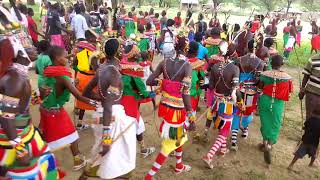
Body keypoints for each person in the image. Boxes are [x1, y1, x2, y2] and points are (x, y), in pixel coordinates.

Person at [0, 36, 63, 179]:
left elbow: (21, 105)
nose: (33, 47)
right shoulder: (13, 78)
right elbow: (6, 117)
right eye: (26, 44)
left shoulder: (16, 73)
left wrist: (39, 95)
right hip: (16, 139)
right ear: (17, 52)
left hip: (24, 134)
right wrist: (20, 150)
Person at [81, 38, 137, 179]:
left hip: (105, 114)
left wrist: (102, 98)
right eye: (121, 48)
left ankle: (89, 173)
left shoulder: (102, 68)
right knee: (111, 156)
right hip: (110, 117)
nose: (123, 50)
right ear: (117, 51)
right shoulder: (113, 73)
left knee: (106, 155)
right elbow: (107, 106)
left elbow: (86, 92)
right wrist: (107, 137)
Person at [145, 35, 195, 180]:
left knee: (179, 138)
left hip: (166, 108)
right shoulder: (187, 66)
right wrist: (191, 118)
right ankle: (149, 176)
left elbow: (149, 80)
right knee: (168, 146)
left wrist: (164, 84)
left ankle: (179, 165)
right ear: (186, 49)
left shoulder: (164, 62)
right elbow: (186, 94)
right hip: (177, 112)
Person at [40, 46, 97, 171]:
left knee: (49, 136)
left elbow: (53, 89)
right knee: (72, 135)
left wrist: (72, 84)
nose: (68, 59)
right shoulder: (63, 77)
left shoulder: (49, 71)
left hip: (45, 109)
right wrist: (95, 103)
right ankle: (77, 160)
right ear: (57, 58)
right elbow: (78, 96)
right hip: (55, 111)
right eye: (65, 57)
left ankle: (48, 160)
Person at [202, 42, 240, 168]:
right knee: (224, 131)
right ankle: (209, 155)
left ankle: (223, 149)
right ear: (233, 55)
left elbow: (211, 86)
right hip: (227, 104)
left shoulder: (215, 67)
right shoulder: (235, 69)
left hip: (215, 103)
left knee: (221, 126)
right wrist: (239, 103)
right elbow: (235, 92)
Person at [120, 40, 155, 158]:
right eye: (138, 53)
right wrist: (154, 93)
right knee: (138, 126)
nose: (139, 55)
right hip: (129, 102)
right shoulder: (134, 70)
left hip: (120, 101)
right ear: (134, 55)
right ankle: (143, 149)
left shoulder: (121, 64)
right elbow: (143, 92)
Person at [231, 40, 266, 151]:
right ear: (257, 49)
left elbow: (234, 75)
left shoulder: (239, 59)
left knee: (237, 111)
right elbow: (258, 80)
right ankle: (245, 129)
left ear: (247, 47)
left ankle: (233, 139)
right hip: (251, 92)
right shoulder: (260, 63)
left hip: (238, 90)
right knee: (248, 111)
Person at [258, 55, 293, 166]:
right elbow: (290, 92)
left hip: (265, 101)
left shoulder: (264, 74)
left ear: (271, 63)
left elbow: (260, 87)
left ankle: (264, 144)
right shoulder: (287, 78)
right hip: (278, 104)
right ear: (281, 64)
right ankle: (269, 145)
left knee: (265, 122)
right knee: (275, 124)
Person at [73, 30, 99, 130]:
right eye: (95, 38)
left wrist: (79, 71)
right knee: (96, 99)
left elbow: (74, 64)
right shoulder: (94, 54)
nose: (96, 40)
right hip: (90, 78)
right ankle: (100, 122)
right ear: (90, 39)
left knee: (82, 101)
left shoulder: (80, 52)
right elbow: (95, 68)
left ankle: (80, 123)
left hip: (80, 77)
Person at [299, 54, 320, 120]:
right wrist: (302, 90)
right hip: (312, 94)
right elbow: (306, 76)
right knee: (310, 118)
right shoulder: (313, 59)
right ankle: (309, 130)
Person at [187, 41, 205, 114]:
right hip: (193, 94)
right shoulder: (199, 64)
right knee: (191, 114)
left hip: (181, 93)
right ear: (197, 51)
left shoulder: (182, 61)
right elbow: (201, 81)